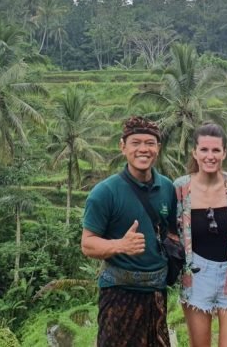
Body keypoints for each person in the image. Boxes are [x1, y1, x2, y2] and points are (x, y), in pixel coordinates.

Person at [81, 115, 177, 347]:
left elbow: (171, 232)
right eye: (136, 143)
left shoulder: (167, 187)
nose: (143, 149)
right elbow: (87, 244)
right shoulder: (105, 192)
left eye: (149, 143)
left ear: (158, 148)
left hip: (157, 294)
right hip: (119, 295)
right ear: (123, 147)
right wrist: (119, 246)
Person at [174, 123, 227, 347]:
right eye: (204, 150)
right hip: (197, 276)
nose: (210, 156)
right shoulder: (181, 188)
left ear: (224, 153)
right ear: (195, 152)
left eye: (215, 150)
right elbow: (170, 230)